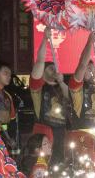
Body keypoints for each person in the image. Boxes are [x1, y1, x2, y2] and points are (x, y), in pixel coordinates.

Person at [66, 32, 95, 170]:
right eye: (87, 69)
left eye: (93, 68)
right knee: (87, 170)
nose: (91, 71)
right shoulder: (76, 86)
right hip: (83, 134)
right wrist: (90, 42)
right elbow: (83, 63)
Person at [30, 26, 71, 166]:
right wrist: (44, 39)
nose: (54, 69)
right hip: (44, 132)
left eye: (55, 67)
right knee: (42, 166)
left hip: (61, 132)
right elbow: (40, 61)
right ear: (43, 72)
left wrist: (62, 82)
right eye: (50, 67)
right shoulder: (38, 86)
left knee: (59, 166)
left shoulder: (61, 86)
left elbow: (69, 96)